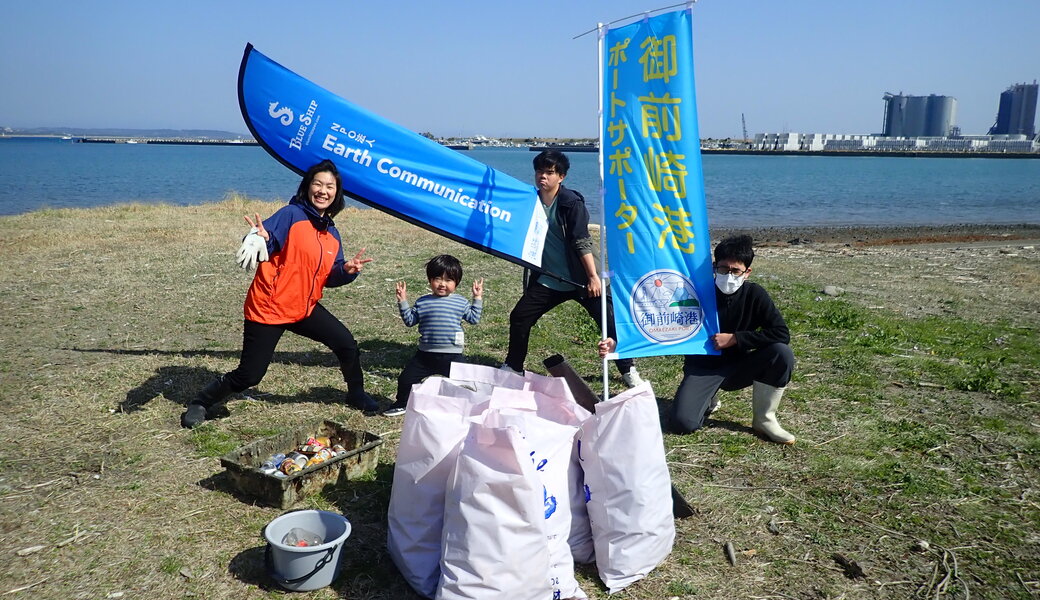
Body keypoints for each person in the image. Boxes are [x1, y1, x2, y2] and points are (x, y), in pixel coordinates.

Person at [181, 159, 378, 428]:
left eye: (329, 186)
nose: (323, 191)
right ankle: (201, 401)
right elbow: (267, 239)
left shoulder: (331, 232)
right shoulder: (291, 215)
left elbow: (329, 276)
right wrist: (260, 237)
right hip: (269, 308)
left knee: (346, 344)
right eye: (317, 184)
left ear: (337, 192)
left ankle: (356, 393)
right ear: (307, 187)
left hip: (303, 308)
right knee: (250, 375)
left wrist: (345, 270)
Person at [598, 235, 796, 444]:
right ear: (714, 267)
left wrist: (736, 339)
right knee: (683, 423)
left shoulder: (755, 294)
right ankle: (707, 397)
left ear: (747, 273)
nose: (728, 276)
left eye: (735, 271)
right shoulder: (695, 293)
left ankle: (765, 419)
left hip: (739, 366)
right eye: (723, 269)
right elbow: (658, 324)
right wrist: (619, 344)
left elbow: (781, 333)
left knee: (781, 353)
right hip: (703, 368)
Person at [502, 150, 642, 386]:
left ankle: (628, 370)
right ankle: (514, 366)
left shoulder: (570, 203)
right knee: (519, 317)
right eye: (539, 171)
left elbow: (582, 241)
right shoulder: (530, 201)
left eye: (549, 172)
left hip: (582, 278)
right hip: (550, 278)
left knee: (609, 322)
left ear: (561, 176)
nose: (543, 176)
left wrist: (593, 277)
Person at [384, 255, 484, 417]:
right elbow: (410, 321)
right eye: (437, 279)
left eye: (448, 280)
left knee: (466, 384)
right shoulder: (422, 302)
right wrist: (403, 301)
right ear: (430, 280)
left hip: (452, 355)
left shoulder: (461, 302)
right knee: (405, 380)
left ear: (457, 282)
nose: (442, 284)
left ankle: (469, 407)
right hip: (425, 355)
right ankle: (402, 404)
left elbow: (474, 319)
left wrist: (477, 298)